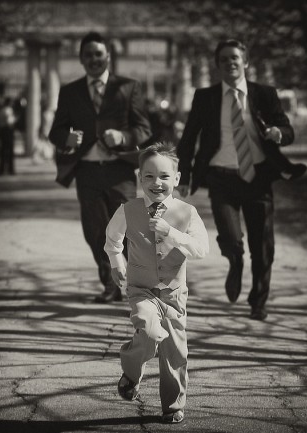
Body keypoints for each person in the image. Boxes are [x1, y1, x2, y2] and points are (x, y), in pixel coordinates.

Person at [177, 39, 307, 321]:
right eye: (224, 59)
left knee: (262, 247)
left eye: (235, 57)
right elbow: (188, 139)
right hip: (221, 179)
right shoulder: (205, 97)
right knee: (232, 239)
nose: (230, 62)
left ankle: (258, 301)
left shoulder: (264, 94)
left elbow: (287, 129)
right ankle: (235, 262)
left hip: (258, 178)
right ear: (217, 65)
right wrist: (184, 176)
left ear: (245, 62)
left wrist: (278, 133)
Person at [104, 142, 209, 423]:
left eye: (164, 176)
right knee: (149, 332)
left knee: (175, 351)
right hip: (141, 290)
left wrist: (171, 233)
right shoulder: (128, 210)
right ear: (140, 178)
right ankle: (132, 371)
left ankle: (173, 406)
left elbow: (201, 249)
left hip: (174, 294)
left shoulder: (187, 212)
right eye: (149, 176)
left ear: (177, 178)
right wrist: (117, 263)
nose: (156, 183)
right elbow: (112, 240)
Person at [49, 31, 151, 303]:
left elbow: (143, 128)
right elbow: (55, 132)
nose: (94, 59)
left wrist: (123, 136)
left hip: (120, 170)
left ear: (108, 56)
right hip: (87, 171)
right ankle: (110, 284)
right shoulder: (70, 92)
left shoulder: (128, 87)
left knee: (127, 230)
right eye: (88, 55)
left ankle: (134, 281)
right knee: (96, 232)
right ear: (81, 59)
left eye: (98, 54)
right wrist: (67, 138)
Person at [0, 97, 17, 175]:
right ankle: (10, 169)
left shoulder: (1, 110)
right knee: (10, 151)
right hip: (7, 131)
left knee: (2, 151)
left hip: (2, 131)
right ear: (9, 103)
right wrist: (15, 119)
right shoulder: (8, 110)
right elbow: (9, 121)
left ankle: (1, 169)